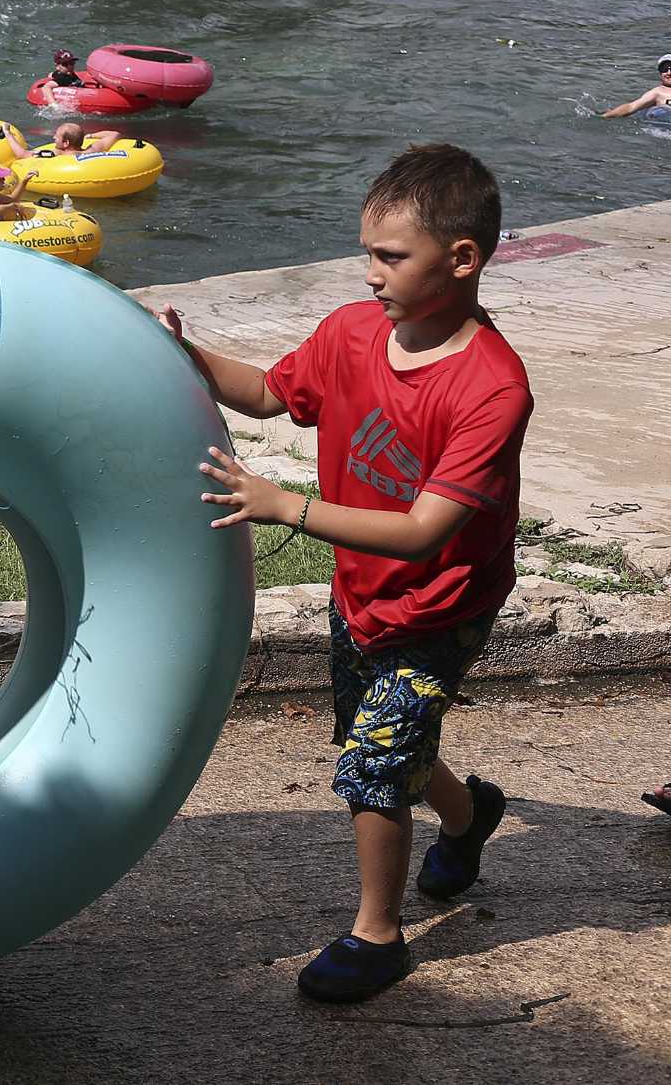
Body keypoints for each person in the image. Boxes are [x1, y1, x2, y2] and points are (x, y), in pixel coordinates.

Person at [155, 143, 532, 1004]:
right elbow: (268, 394)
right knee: (382, 734)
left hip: (442, 602)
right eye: (367, 252)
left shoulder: (491, 387)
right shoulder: (352, 332)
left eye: (390, 256)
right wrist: (186, 352)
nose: (370, 275)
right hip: (359, 584)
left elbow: (426, 530)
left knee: (373, 763)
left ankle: (377, 935)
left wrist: (284, 504)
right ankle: (470, 816)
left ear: (462, 258)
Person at [597, 55, 671, 118]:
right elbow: (631, 107)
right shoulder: (657, 93)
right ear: (660, 72)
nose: (669, 73)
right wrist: (605, 116)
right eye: (664, 69)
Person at [7, 121, 121, 159]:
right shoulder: (90, 151)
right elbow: (114, 134)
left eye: (57, 136)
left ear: (66, 143)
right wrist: (91, 136)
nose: (54, 138)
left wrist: (8, 133)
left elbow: (21, 154)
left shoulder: (55, 154)